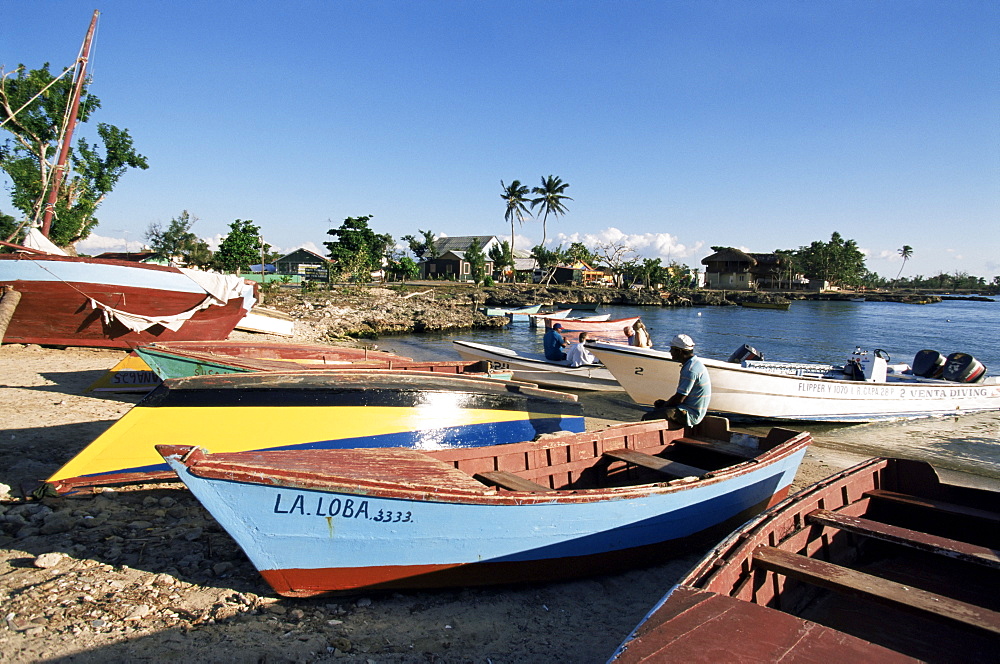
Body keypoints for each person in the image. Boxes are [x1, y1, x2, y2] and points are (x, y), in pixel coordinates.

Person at [642, 333, 711, 427]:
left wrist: (664, 406)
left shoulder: (690, 370)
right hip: (688, 409)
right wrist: (664, 405)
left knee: (647, 417)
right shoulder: (695, 363)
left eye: (672, 349)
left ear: (679, 351)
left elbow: (679, 398)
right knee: (659, 405)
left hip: (690, 414)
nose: (670, 352)